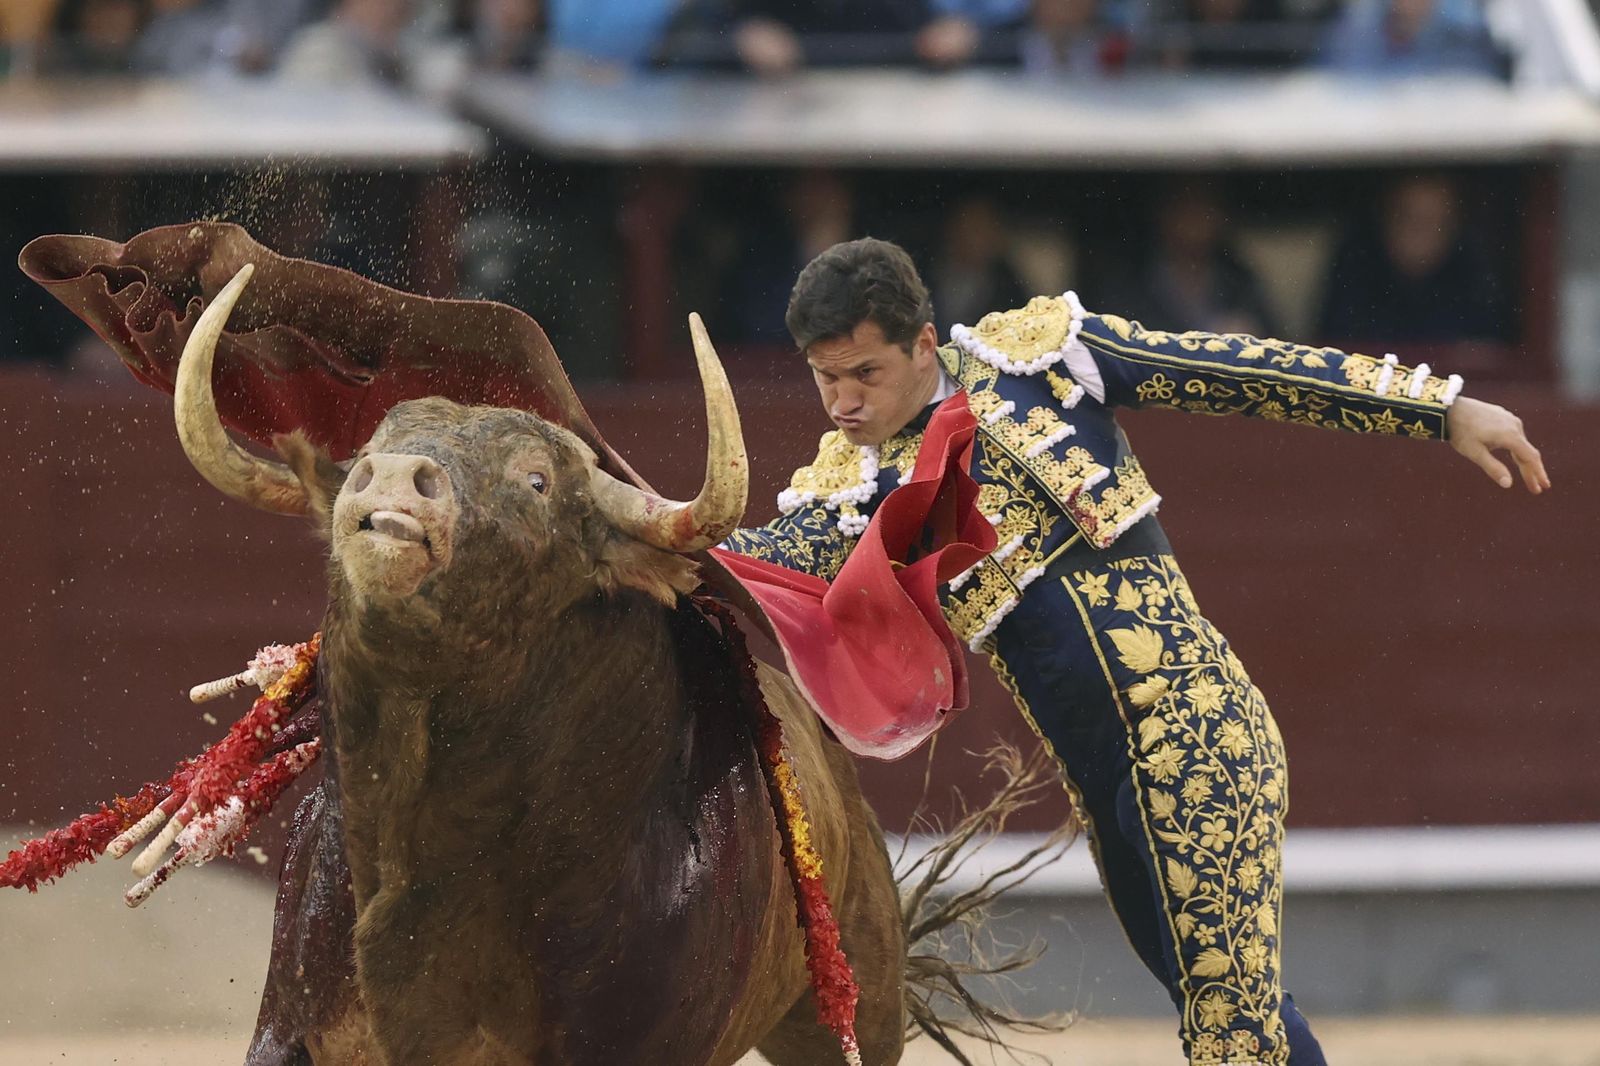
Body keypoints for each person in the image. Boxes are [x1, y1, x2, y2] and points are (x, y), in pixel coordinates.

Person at [718, 237, 1547, 1065]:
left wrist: (1438, 407)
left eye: (865, 373)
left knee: (1232, 1039)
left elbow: (1238, 370)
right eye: (826, 378)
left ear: (924, 343)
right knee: (1240, 1028)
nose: (844, 402)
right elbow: (736, 567)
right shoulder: (850, 494)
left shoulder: (1041, 361)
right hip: (1105, 792)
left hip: (1198, 733)